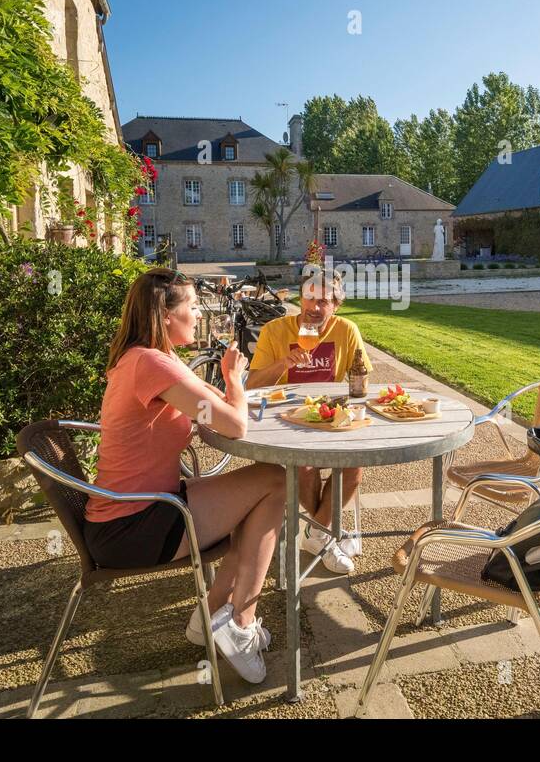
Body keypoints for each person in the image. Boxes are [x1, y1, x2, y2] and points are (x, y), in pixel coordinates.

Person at [89, 268, 285, 683]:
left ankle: (210, 615)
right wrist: (233, 377)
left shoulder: (151, 358)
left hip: (134, 511)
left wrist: (230, 389)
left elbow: (217, 405)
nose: (200, 314)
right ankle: (240, 623)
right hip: (132, 526)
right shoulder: (151, 364)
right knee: (274, 481)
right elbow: (234, 423)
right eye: (193, 307)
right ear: (165, 315)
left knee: (258, 494)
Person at [245, 270, 368, 574]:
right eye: (308, 297)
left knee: (355, 467)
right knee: (304, 466)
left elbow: (361, 376)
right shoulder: (276, 330)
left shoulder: (347, 330)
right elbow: (252, 385)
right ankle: (324, 537)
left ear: (336, 305)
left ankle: (316, 533)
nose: (314, 306)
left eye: (323, 300)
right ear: (301, 299)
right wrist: (285, 362)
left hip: (330, 416)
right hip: (286, 418)